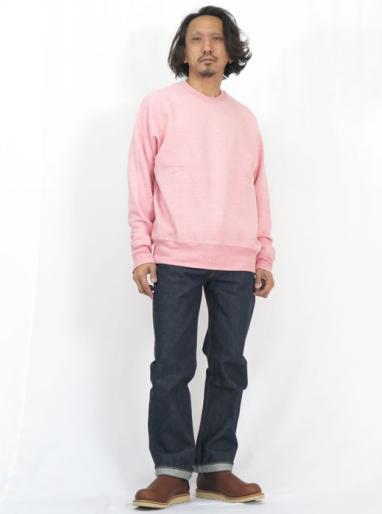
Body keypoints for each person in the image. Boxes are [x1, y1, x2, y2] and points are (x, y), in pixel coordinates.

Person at [128, 6, 275, 508]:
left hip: (237, 261)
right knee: (172, 366)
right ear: (184, 50)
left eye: (216, 38)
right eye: (196, 39)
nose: (207, 46)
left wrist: (264, 255)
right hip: (175, 256)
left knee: (229, 364)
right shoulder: (159, 107)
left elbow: (258, 189)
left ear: (230, 51)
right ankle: (171, 471)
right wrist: (141, 249)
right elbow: (140, 180)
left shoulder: (245, 119)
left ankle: (215, 468)